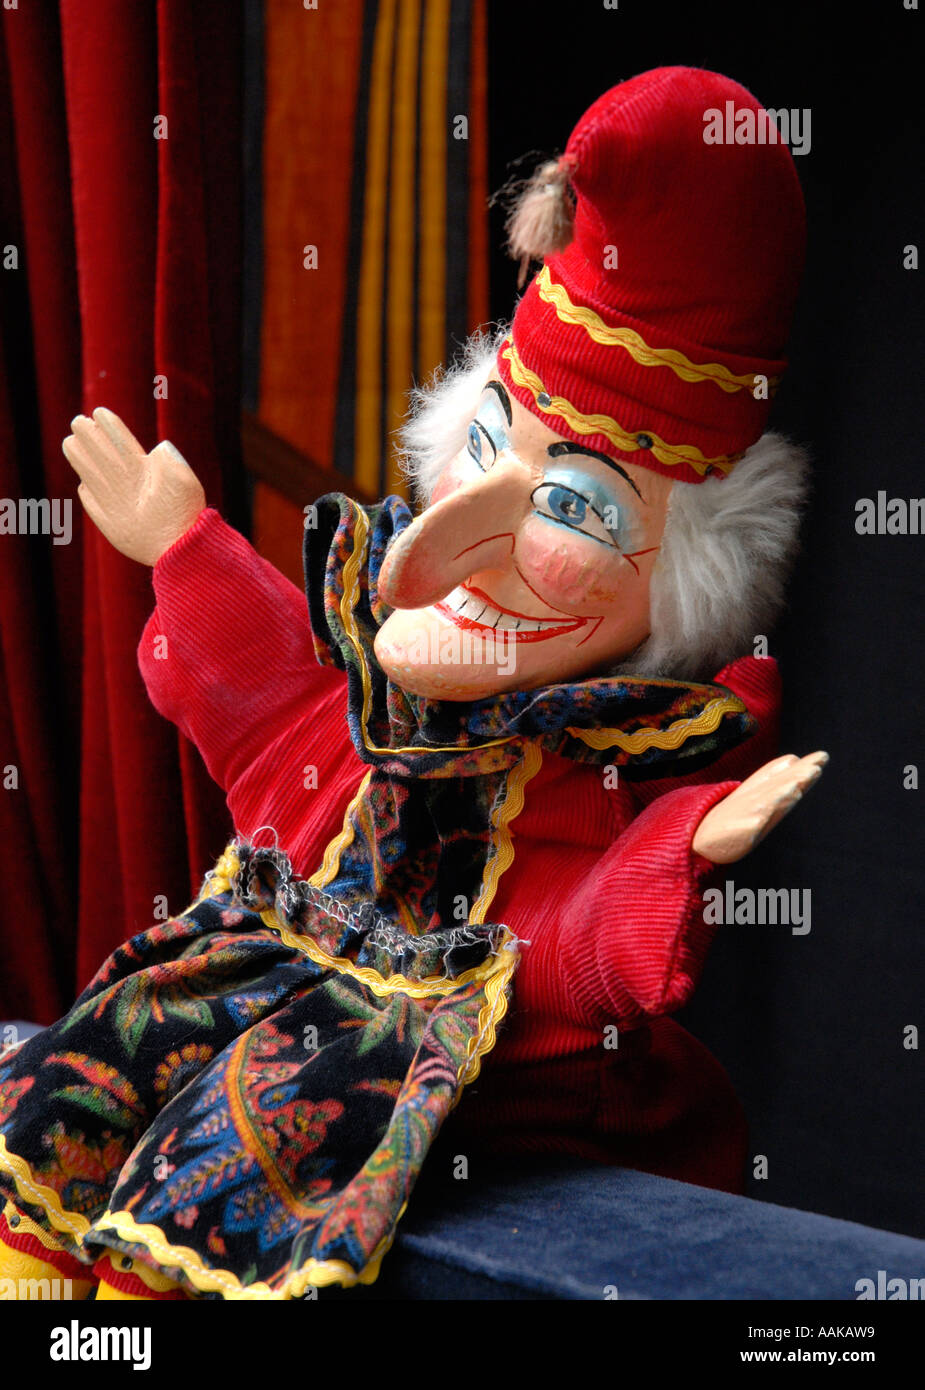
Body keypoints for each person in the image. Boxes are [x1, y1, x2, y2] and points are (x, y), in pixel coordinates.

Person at [0, 66, 824, 1300]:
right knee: (89, 1066)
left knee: (239, 1147)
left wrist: (669, 859)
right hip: (280, 979)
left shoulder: (584, 757)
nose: (466, 531)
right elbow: (278, 724)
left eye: (573, 504)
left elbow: (553, 943)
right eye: (487, 447)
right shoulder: (393, 685)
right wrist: (189, 546)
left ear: (684, 575)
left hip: (462, 1074)